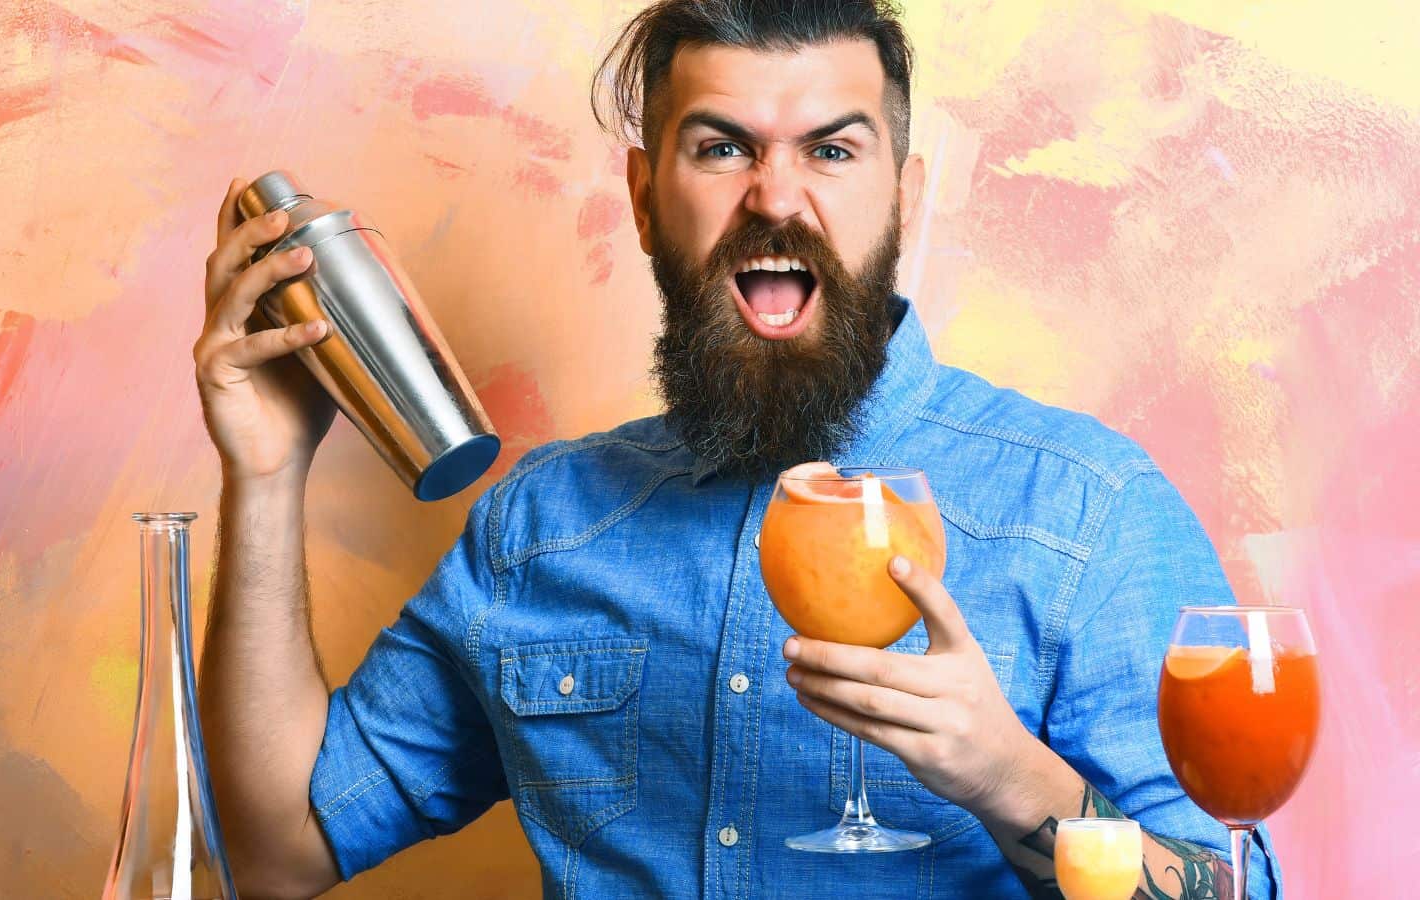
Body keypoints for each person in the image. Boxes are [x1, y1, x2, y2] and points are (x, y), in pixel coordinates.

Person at [191, 2, 1280, 897]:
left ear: (903, 197)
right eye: (721, 148)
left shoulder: (1084, 511)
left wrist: (1008, 776)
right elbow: (278, 850)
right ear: (642, 197)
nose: (776, 197)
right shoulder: (541, 529)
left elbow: (1234, 889)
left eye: (832, 150)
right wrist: (268, 472)